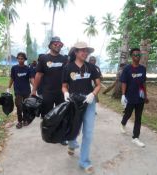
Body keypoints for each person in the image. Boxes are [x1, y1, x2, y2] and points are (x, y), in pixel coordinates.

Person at [62, 42, 101, 174]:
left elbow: (98, 85)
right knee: (73, 129)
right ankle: (72, 144)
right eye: (82, 51)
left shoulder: (91, 67)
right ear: (76, 52)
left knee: (88, 133)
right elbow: (64, 85)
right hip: (74, 102)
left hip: (89, 102)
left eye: (86, 51)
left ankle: (84, 161)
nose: (85, 53)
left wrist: (93, 94)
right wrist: (66, 93)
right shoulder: (68, 68)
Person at [120, 48, 149, 147]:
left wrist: (145, 95)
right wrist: (123, 95)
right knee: (128, 113)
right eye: (135, 55)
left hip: (140, 97)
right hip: (130, 97)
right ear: (131, 57)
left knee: (138, 117)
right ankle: (123, 123)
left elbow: (144, 82)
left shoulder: (142, 69)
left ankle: (135, 137)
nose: (137, 57)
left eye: (138, 55)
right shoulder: (127, 69)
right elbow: (124, 82)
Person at [32, 37, 68, 117]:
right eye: (55, 44)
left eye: (60, 44)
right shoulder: (43, 58)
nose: (58, 45)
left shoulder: (64, 59)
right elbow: (38, 75)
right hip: (47, 93)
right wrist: (34, 90)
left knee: (61, 116)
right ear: (50, 45)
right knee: (47, 116)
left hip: (61, 93)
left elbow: (67, 76)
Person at [7, 52, 34, 129]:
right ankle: (19, 121)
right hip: (18, 91)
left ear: (25, 59)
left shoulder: (28, 69)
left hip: (26, 90)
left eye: (22, 58)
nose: (20, 60)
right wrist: (8, 87)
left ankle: (25, 120)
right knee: (19, 106)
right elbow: (12, 78)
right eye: (18, 58)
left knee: (25, 106)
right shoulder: (14, 68)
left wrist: (34, 87)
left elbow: (31, 79)